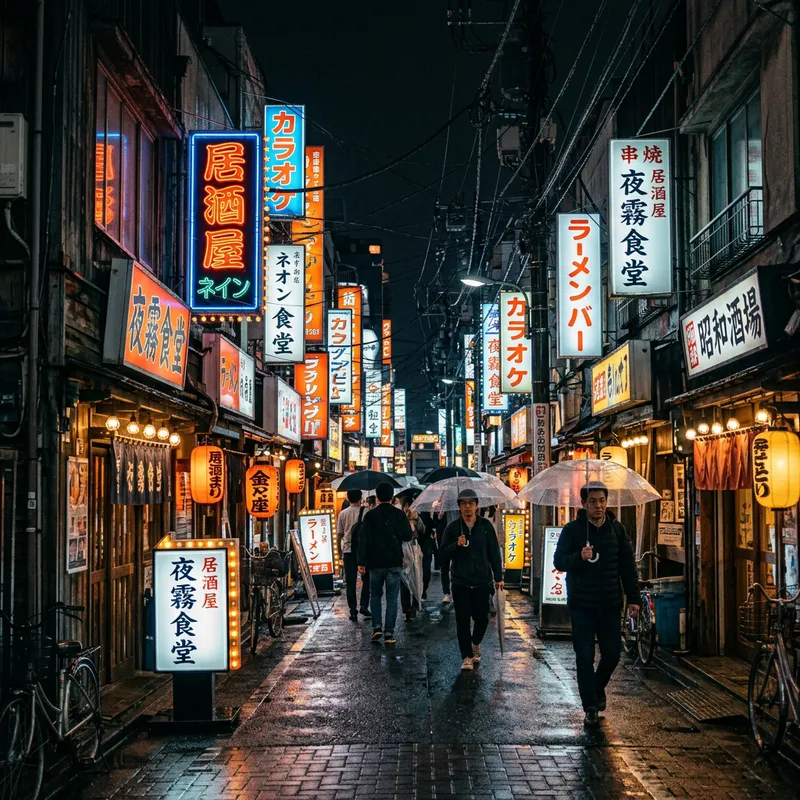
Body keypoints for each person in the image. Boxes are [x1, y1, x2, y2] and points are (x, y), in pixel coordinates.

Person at [553, 482, 640, 728]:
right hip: (581, 604)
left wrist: (633, 597)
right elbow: (559, 561)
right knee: (584, 656)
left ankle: (596, 687)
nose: (598, 506)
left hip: (611, 603)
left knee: (612, 654)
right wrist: (579, 557)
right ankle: (590, 706)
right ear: (583, 504)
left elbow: (627, 567)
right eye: (592, 501)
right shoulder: (572, 530)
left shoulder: (617, 530)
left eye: (602, 500)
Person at [439, 488, 504, 671]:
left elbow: (493, 553)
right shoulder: (452, 528)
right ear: (459, 506)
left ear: (476, 505)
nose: (467, 507)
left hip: (482, 581)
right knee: (462, 620)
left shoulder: (485, 527)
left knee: (482, 619)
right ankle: (466, 656)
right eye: (464, 503)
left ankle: (476, 642)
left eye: (471, 503)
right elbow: (442, 555)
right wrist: (455, 545)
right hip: (460, 581)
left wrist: (498, 576)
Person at [357, 482, 413, 645]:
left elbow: (363, 540)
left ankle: (377, 627)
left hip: (374, 562)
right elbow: (408, 536)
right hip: (394, 561)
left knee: (375, 595)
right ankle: (389, 633)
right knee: (391, 598)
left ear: (378, 497)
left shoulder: (370, 516)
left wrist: (361, 561)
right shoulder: (399, 515)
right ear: (392, 496)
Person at [337, 489, 370, 621]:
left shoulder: (343, 513)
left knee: (350, 582)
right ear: (360, 497)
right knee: (366, 579)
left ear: (348, 498)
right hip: (363, 551)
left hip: (348, 551)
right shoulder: (366, 512)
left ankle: (352, 610)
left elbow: (339, 534)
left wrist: (339, 553)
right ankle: (364, 605)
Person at [399, 501, 424, 621]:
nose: (409, 509)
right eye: (407, 506)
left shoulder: (416, 518)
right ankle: (407, 609)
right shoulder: (399, 518)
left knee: (417, 578)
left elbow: (422, 532)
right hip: (404, 552)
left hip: (415, 550)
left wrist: (416, 518)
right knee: (404, 581)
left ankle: (415, 604)